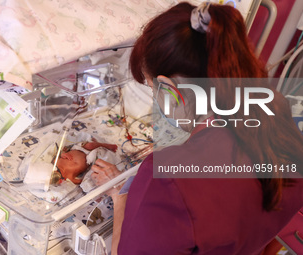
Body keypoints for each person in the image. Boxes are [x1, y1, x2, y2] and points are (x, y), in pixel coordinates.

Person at [90, 2, 303, 255]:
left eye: (151, 88)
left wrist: (120, 197)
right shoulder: (276, 112)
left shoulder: (168, 179)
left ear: (169, 90)